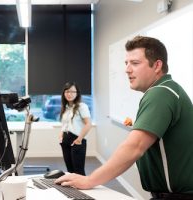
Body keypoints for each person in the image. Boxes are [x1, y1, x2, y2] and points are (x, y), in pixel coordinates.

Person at [55, 36, 193, 199]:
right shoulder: (169, 89)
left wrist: (90, 180)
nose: (127, 69)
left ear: (157, 65)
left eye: (135, 63)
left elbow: (135, 146)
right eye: (126, 63)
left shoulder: (161, 93)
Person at [59, 82, 91, 175]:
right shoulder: (66, 107)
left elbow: (88, 124)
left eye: (73, 92)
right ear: (64, 93)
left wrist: (79, 139)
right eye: (67, 91)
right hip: (65, 139)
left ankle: (82, 189)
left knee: (78, 171)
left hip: (77, 139)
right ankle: (71, 190)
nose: (69, 94)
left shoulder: (82, 106)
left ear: (77, 93)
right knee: (70, 170)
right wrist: (61, 135)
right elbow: (65, 124)